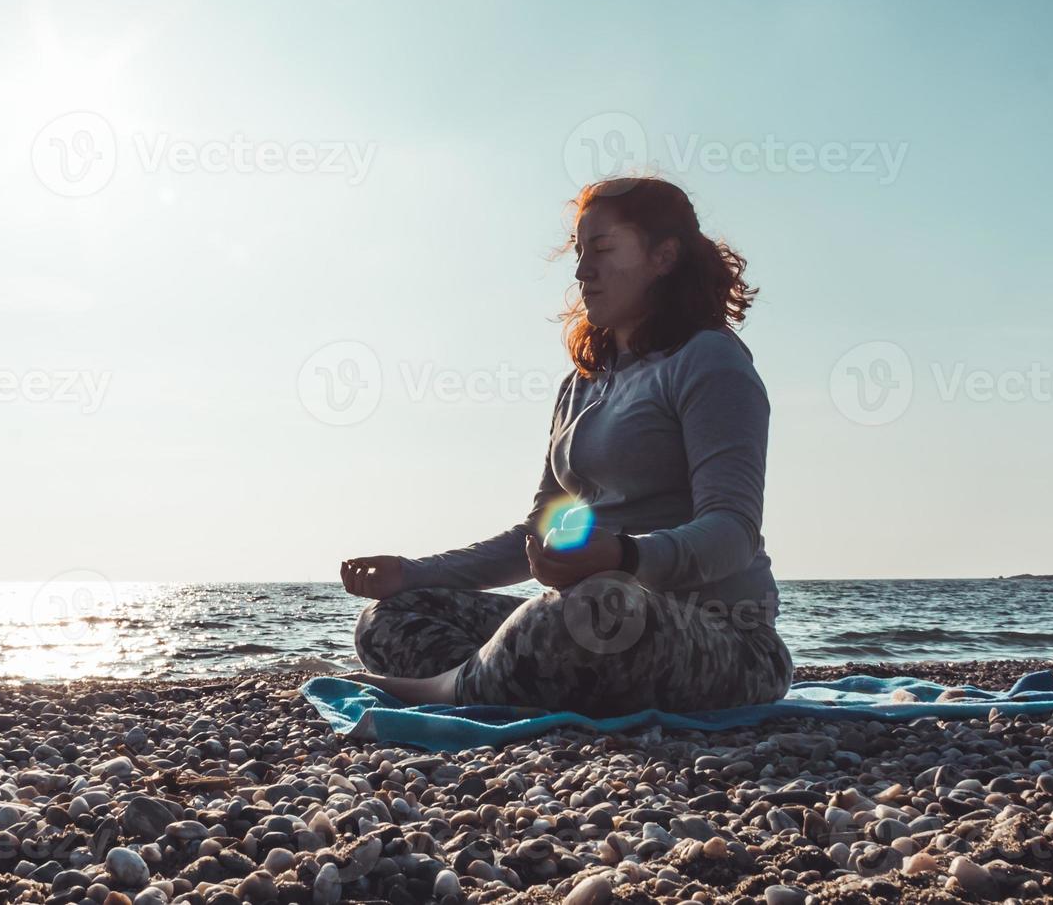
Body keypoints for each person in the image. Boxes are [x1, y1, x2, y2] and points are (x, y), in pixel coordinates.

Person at [340, 177, 794, 717]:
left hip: (725, 639)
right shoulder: (580, 385)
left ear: (663, 257)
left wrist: (626, 556)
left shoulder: (710, 361)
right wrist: (412, 574)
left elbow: (733, 531)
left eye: (602, 251)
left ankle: (453, 688)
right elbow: (538, 532)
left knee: (585, 610)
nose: (582, 272)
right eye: (580, 254)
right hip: (597, 617)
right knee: (391, 617)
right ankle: (495, 678)